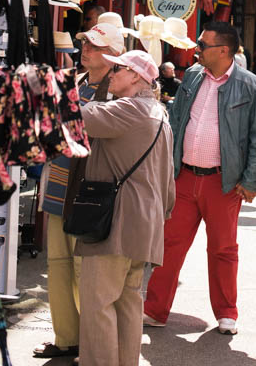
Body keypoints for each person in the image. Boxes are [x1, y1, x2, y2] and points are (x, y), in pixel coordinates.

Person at [144, 20, 256, 335]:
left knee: (223, 249)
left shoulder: (250, 84)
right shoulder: (192, 76)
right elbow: (175, 121)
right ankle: (155, 310)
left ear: (224, 50)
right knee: (169, 244)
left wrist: (252, 180)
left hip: (223, 181)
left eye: (202, 45)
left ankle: (227, 313)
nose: (196, 49)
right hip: (184, 176)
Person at [77, 50, 175, 366]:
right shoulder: (159, 114)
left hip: (116, 221)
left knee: (99, 304)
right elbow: (168, 184)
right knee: (128, 303)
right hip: (145, 224)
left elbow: (78, 117)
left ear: (136, 76)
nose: (111, 72)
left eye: (118, 68)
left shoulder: (128, 109)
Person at [34, 21, 124, 360]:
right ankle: (66, 337)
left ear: (114, 55)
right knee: (57, 266)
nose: (85, 49)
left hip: (89, 193)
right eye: (85, 43)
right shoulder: (73, 82)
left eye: (94, 46)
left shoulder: (117, 91)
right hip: (59, 184)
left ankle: (91, 342)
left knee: (85, 271)